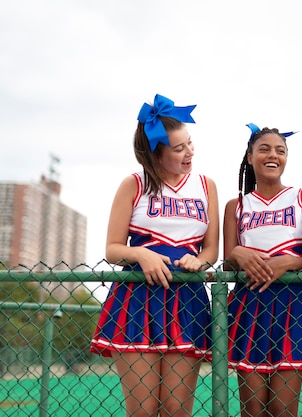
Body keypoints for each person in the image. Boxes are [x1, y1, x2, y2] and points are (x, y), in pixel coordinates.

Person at [90, 94, 219, 417]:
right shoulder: (133, 184)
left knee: (177, 409)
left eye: (190, 144)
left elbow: (212, 249)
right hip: (138, 299)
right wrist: (141, 255)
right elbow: (112, 249)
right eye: (179, 149)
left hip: (187, 299)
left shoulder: (206, 185)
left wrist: (200, 261)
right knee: (143, 410)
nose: (189, 152)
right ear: (156, 154)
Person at [223, 124, 302, 417]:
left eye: (281, 150)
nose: (273, 155)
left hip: (293, 305)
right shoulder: (236, 205)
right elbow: (227, 262)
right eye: (264, 149)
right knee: (253, 408)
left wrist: (289, 261)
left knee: (283, 409)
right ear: (250, 155)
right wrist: (237, 253)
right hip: (249, 304)